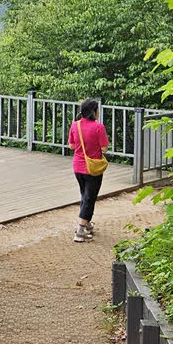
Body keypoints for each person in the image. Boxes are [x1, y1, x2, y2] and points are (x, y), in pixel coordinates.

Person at [68, 98, 109, 242]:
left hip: (77, 167)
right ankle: (80, 230)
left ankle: (87, 224)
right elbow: (104, 148)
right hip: (93, 168)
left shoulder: (75, 125)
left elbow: (72, 146)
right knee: (89, 198)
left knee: (85, 195)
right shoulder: (99, 127)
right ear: (93, 111)